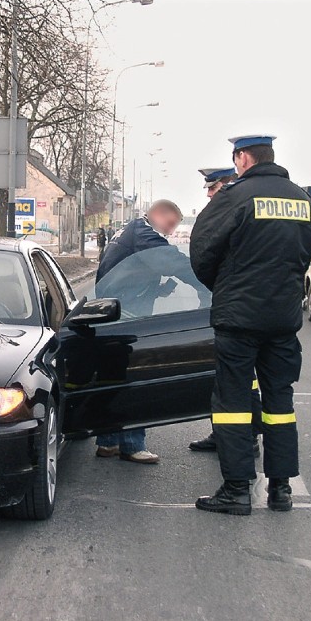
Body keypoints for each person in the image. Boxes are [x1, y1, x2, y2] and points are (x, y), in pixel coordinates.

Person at [190, 135, 311, 515]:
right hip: (283, 319)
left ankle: (237, 490)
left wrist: (226, 286)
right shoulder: (301, 199)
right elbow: (303, 255)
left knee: (232, 402)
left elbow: (202, 250)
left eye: (236, 157)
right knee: (280, 402)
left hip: (238, 319)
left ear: (243, 157)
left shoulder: (234, 196)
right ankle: (280, 490)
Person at [93, 199, 204, 464]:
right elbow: (170, 261)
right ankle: (132, 445)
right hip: (128, 314)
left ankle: (108, 442)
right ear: (158, 215)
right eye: (170, 224)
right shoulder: (144, 232)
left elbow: (131, 271)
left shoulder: (131, 231)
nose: (171, 231)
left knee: (114, 377)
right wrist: (205, 279)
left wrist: (157, 289)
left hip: (115, 310)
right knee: (134, 378)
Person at [189, 167, 261, 458]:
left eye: (212, 187)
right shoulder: (226, 210)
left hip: (237, 310)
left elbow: (210, 257)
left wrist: (214, 287)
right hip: (226, 306)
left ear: (228, 185)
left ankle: (247, 438)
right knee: (224, 377)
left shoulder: (234, 212)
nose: (208, 193)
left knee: (240, 380)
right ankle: (222, 434)